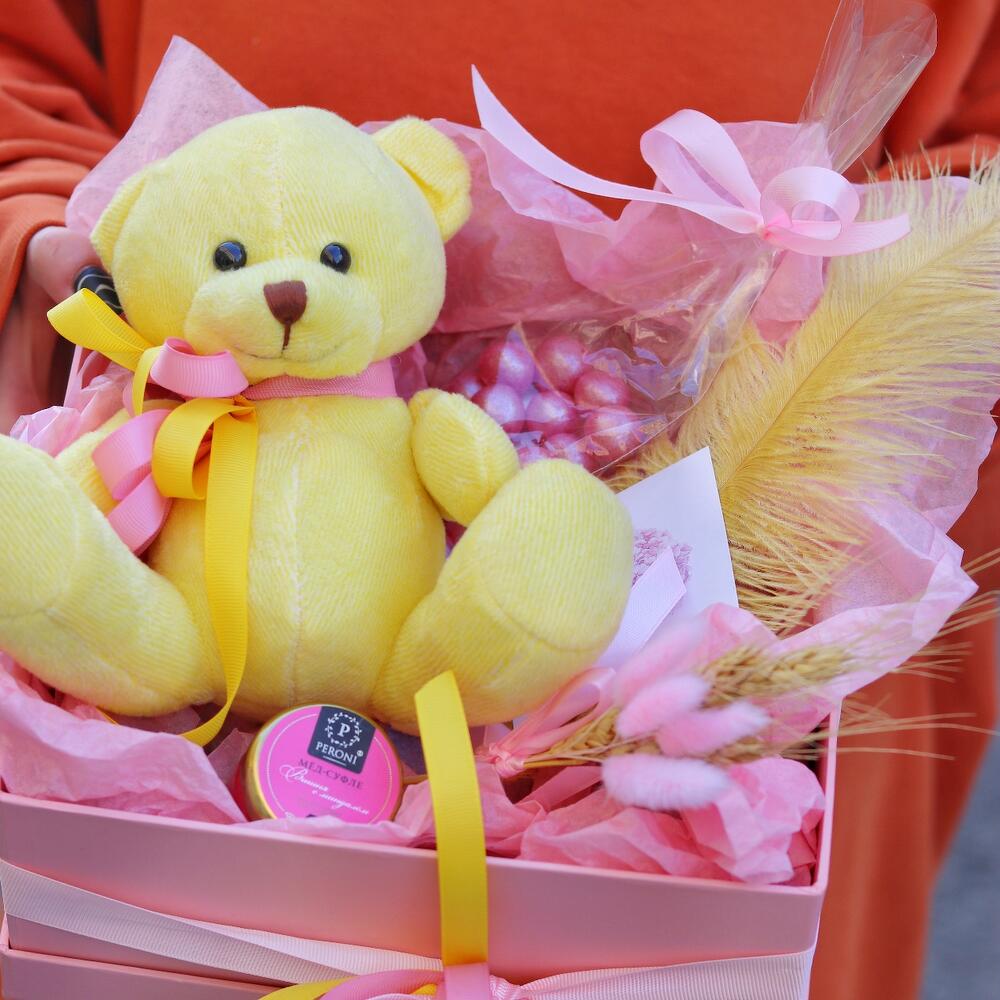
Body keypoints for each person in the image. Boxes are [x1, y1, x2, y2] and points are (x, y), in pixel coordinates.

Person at [1, 2, 997, 997]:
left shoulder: (424, 420)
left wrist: (858, 326)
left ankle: (520, 607)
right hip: (155, 794)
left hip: (771, 478)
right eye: (240, 267)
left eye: (335, 262)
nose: (289, 292)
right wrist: (41, 214)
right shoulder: (168, 419)